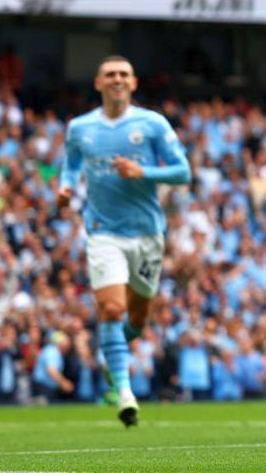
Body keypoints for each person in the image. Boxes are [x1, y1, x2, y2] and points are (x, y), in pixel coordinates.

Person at [59, 55, 191, 427]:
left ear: (133, 83)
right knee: (112, 310)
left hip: (147, 233)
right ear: (98, 84)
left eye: (124, 74)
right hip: (103, 232)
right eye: (110, 75)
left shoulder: (151, 124)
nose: (117, 79)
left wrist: (142, 171)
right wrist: (65, 186)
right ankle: (124, 392)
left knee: (137, 318)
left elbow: (183, 172)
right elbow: (70, 163)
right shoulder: (80, 128)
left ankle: (111, 355)